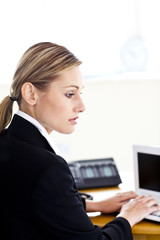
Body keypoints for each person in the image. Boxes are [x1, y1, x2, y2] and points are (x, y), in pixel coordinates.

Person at [0, 42, 159, 240]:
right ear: (31, 94)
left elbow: (26, 202)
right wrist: (127, 216)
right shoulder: (48, 168)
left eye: (80, 93)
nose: (81, 106)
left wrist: (92, 205)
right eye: (69, 94)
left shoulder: (6, 142)